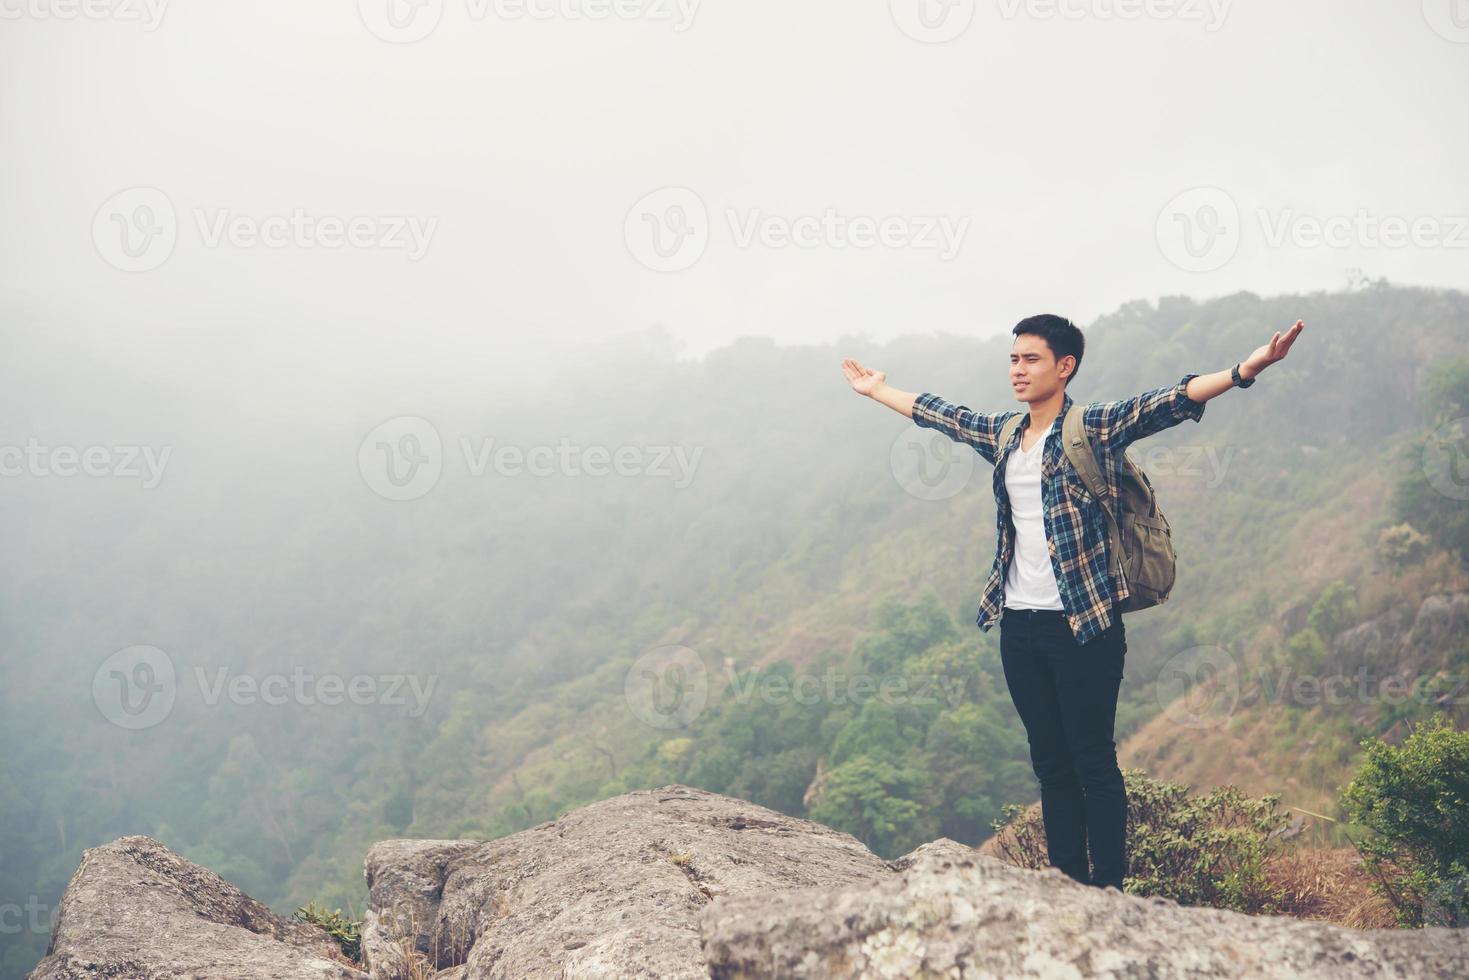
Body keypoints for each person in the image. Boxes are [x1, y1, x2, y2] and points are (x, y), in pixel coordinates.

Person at [841, 314, 1304, 890]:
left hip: (1084, 625)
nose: (1017, 369)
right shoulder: (1006, 434)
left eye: (1030, 359)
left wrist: (1245, 369)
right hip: (1018, 624)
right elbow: (944, 415)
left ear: (1065, 367)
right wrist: (878, 389)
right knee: (1050, 766)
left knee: (1093, 762)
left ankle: (1107, 891)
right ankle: (1064, 888)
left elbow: (1167, 401)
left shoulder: (1094, 428)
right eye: (1013, 358)